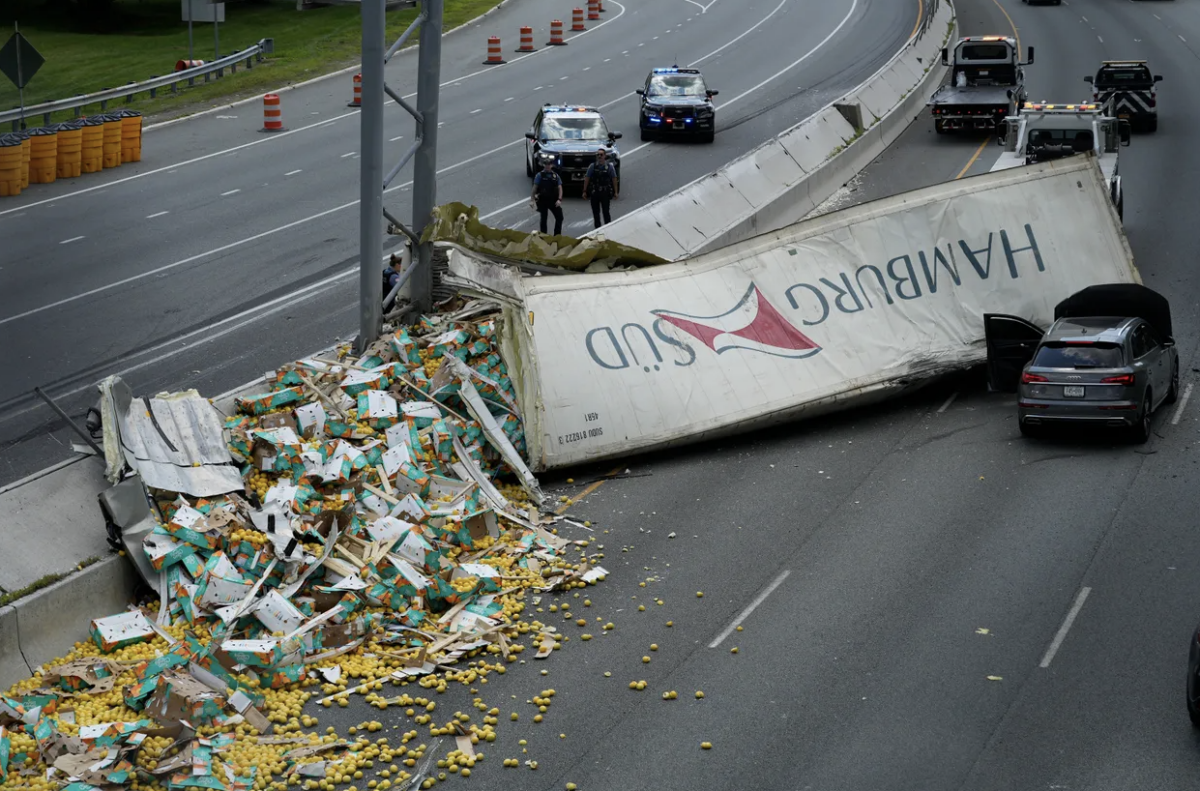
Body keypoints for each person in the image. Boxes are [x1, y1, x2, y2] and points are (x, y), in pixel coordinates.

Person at [583, 148, 619, 229]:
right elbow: (587, 178)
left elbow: (614, 179)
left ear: (605, 156)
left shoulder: (609, 167)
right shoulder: (592, 166)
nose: (599, 156)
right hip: (595, 192)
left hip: (605, 193)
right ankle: (598, 231)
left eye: (601, 154)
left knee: (606, 212)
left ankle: (608, 229)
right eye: (598, 155)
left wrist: (616, 192)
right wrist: (584, 191)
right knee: (596, 214)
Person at [532, 155, 564, 235]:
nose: (547, 166)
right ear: (544, 165)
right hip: (543, 200)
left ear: (551, 165)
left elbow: (560, 188)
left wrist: (559, 199)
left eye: (549, 164)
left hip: (553, 200)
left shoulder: (555, 176)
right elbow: (534, 188)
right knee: (543, 218)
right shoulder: (540, 175)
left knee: (559, 217)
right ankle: (544, 235)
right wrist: (532, 200)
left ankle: (557, 235)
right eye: (546, 164)